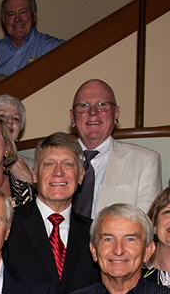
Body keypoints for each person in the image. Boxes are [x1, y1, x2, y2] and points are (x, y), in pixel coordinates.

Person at [4, 131, 101, 294]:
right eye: (49, 164)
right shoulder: (8, 224)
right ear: (34, 175)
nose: (58, 172)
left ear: (81, 176)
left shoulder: (95, 232)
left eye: (68, 164)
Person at [69, 79, 161, 216]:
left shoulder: (144, 161)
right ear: (72, 116)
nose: (93, 112)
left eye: (102, 105)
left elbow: (144, 227)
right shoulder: (50, 160)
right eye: (83, 106)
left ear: (116, 113)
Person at [0, 0, 65, 76]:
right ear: (3, 19)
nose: (17, 19)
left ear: (34, 15)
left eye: (23, 12)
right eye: (11, 14)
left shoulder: (51, 48)